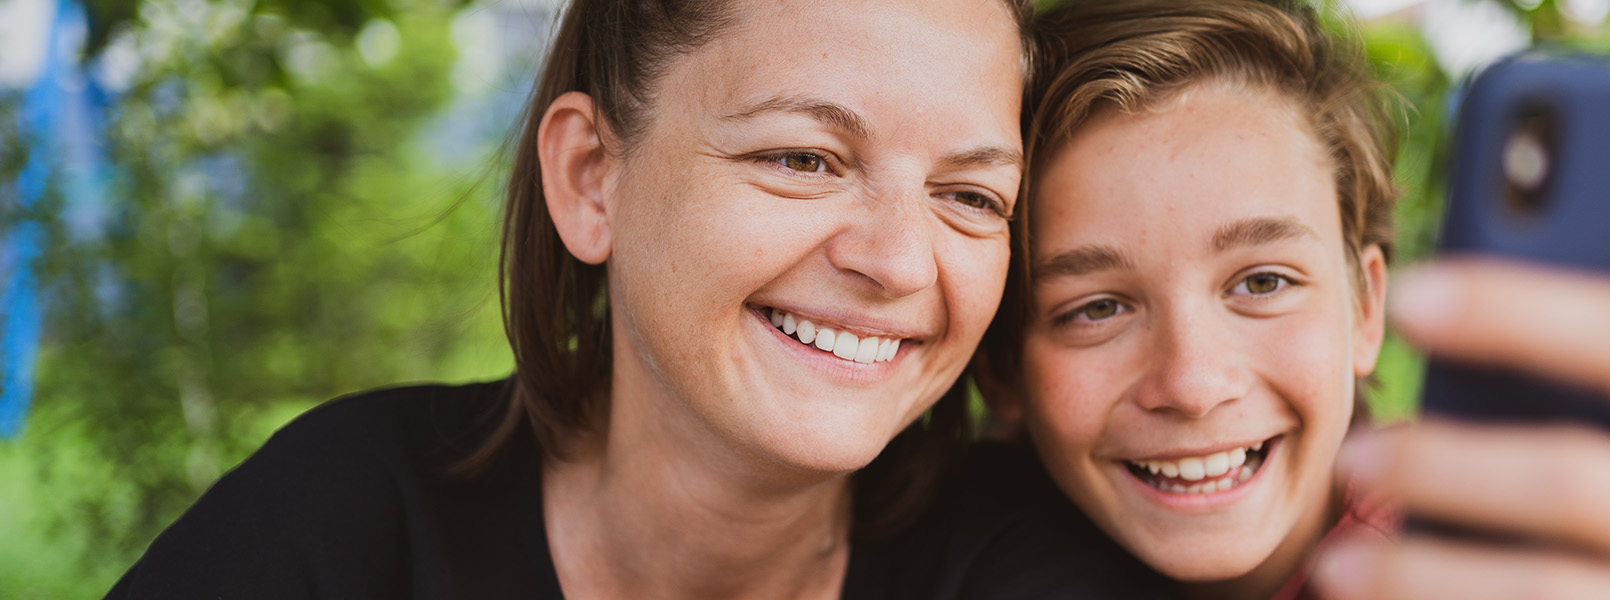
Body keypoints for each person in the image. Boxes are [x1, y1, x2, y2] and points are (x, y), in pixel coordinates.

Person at [103, 1, 1168, 598]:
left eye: (971, 195)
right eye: (803, 158)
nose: (898, 261)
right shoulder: (343, 523)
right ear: (589, 177)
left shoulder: (1019, 564)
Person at [980, 0, 1610, 598]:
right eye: (1095, 307)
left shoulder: (1490, 562)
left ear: (1369, 310)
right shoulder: (961, 551)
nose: (1192, 380)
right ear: (1005, 369)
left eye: (1262, 282)